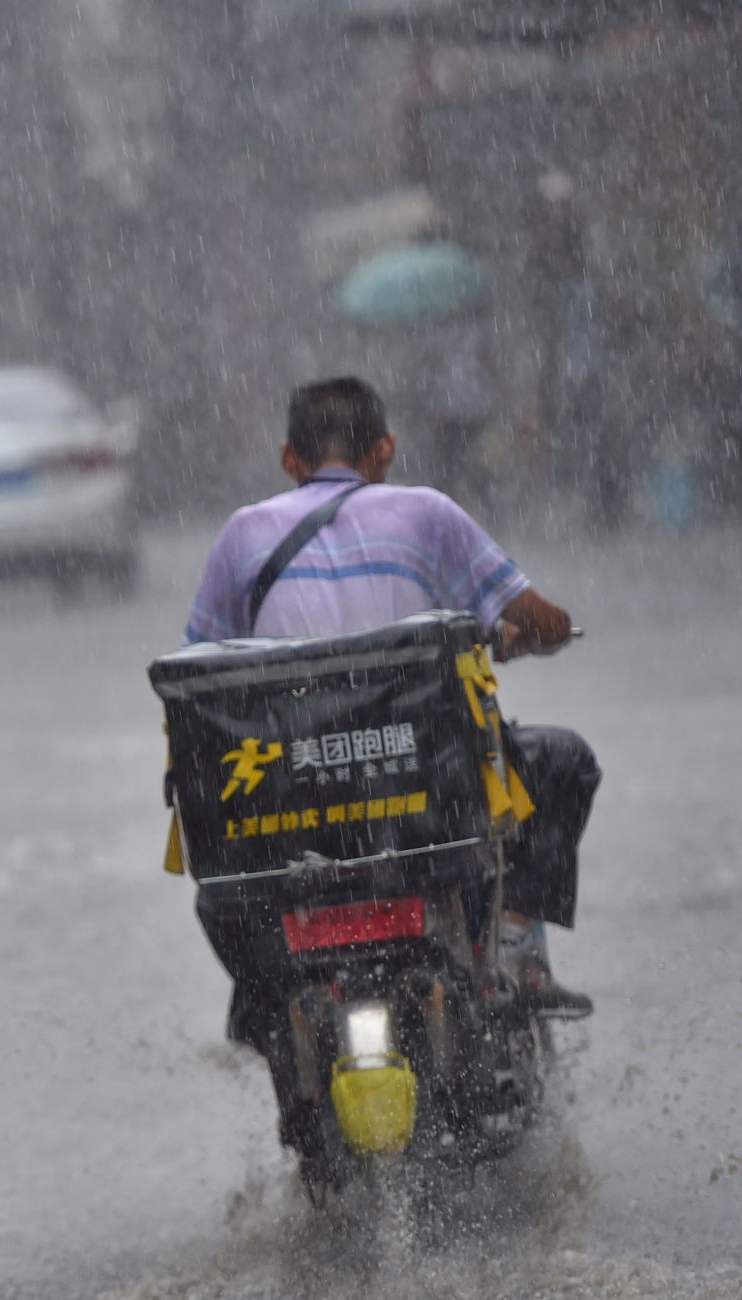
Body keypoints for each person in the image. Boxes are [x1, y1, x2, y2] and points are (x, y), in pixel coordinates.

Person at [182, 376, 600, 1149]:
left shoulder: (244, 535)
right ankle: (513, 949)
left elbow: (204, 669)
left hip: (292, 818)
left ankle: (270, 1011)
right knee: (564, 761)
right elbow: (534, 616)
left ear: (288, 458)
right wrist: (543, 630)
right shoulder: (425, 512)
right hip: (426, 804)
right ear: (384, 451)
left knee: (220, 896)